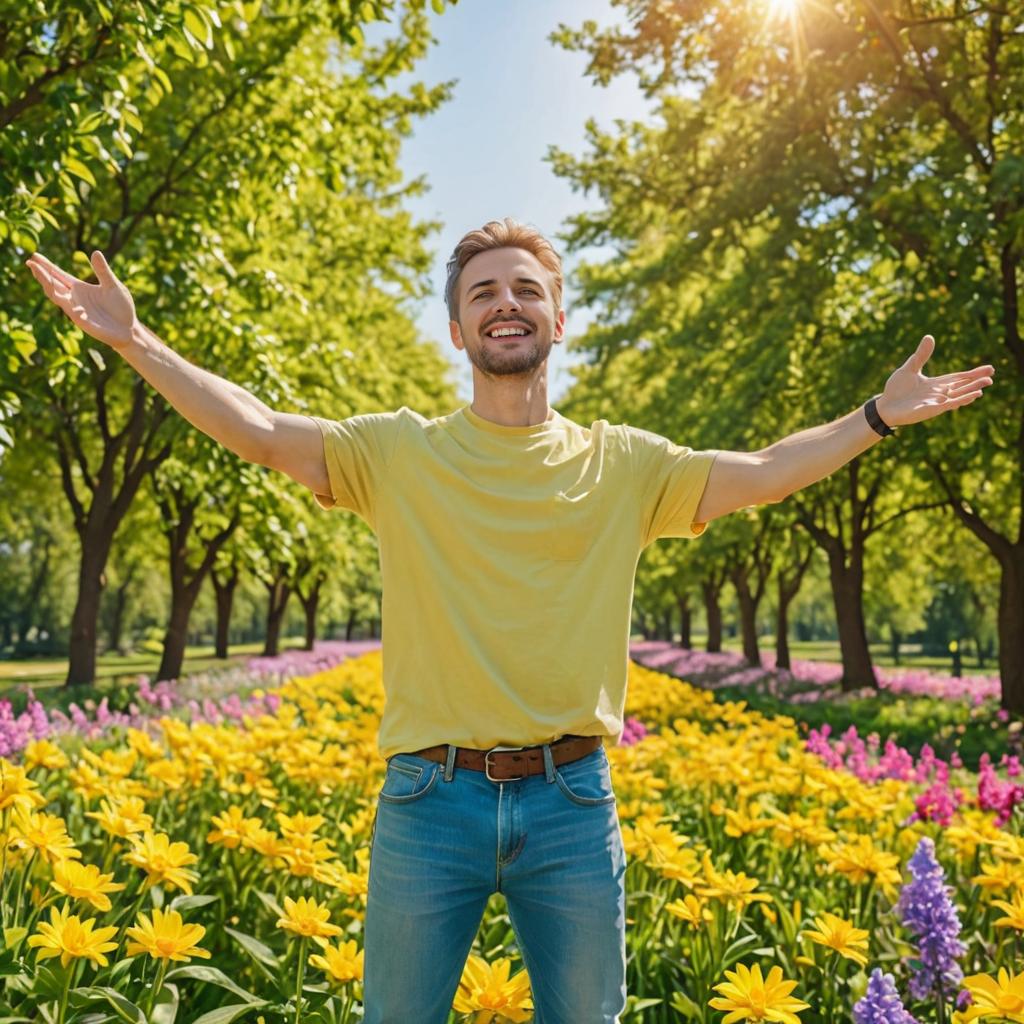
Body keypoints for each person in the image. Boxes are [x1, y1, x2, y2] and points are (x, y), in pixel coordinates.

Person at [25, 218, 994, 1022]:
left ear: (558, 317)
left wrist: (872, 415)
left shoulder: (624, 463)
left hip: (572, 804)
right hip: (426, 802)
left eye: (526, 289)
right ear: (455, 328)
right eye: (483, 291)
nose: (505, 303)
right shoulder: (396, 453)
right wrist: (132, 340)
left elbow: (766, 468)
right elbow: (260, 428)